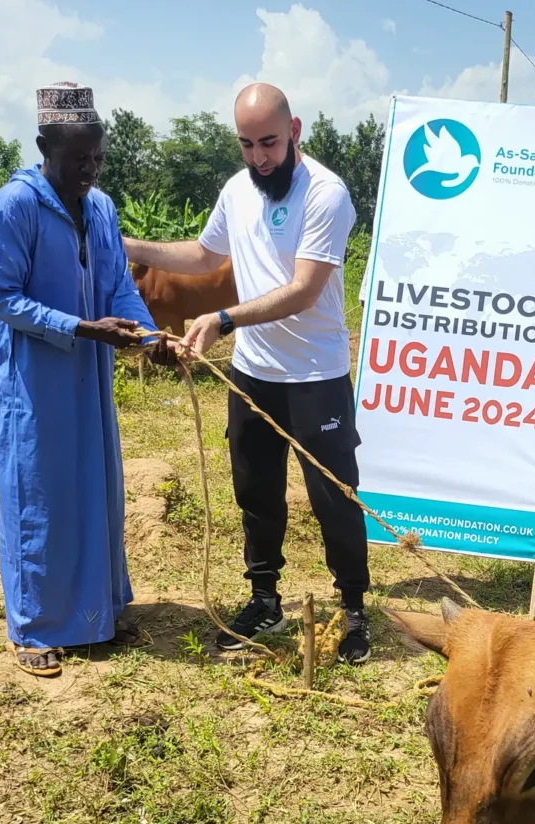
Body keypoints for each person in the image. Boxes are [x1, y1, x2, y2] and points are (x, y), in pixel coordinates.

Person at [124, 84, 372, 663]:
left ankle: (355, 607)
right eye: (247, 145)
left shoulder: (326, 195)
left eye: (269, 142)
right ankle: (264, 598)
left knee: (334, 496)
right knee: (256, 492)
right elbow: (206, 256)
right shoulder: (237, 190)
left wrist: (223, 317)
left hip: (315, 373)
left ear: (295, 131)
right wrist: (128, 244)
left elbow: (306, 289)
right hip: (254, 373)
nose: (260, 158)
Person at [0, 82, 173, 677]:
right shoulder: (14, 207)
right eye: (76, 159)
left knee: (94, 492)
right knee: (39, 497)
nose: (88, 170)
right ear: (44, 147)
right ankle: (34, 627)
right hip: (37, 386)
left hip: (88, 382)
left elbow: (118, 285)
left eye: (96, 158)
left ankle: (98, 615)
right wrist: (84, 329)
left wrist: (148, 337)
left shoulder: (101, 207)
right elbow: (3, 298)